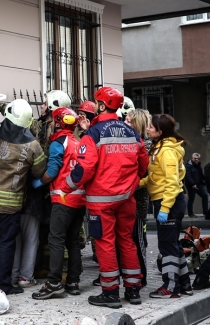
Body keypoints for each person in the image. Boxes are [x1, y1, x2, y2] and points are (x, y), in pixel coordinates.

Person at [64, 86, 149, 308]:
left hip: (101, 201)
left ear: (101, 105)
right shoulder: (132, 132)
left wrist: (67, 185)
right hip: (126, 198)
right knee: (127, 241)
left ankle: (110, 292)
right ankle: (133, 289)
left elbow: (84, 169)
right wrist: (130, 183)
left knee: (105, 244)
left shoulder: (94, 133)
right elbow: (143, 165)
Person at [0, 99, 47, 295]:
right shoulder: (33, 146)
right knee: (6, 244)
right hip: (10, 204)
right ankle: (3, 284)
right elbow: (39, 172)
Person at [32, 107, 86, 300]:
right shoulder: (77, 142)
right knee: (72, 241)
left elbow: (53, 171)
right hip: (80, 199)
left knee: (56, 240)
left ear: (56, 123)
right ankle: (73, 282)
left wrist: (39, 182)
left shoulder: (58, 143)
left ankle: (54, 283)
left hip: (63, 199)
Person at [140, 114, 192, 298]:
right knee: (174, 245)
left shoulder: (166, 151)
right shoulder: (160, 147)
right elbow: (156, 177)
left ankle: (170, 287)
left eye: (151, 127)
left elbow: (171, 182)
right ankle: (185, 285)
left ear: (160, 131)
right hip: (167, 200)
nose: (148, 129)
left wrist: (164, 208)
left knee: (167, 247)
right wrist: (137, 184)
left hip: (167, 201)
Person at [126, 108, 152, 287]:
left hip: (138, 199)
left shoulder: (147, 144)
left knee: (138, 239)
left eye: (128, 121)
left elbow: (146, 173)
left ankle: (141, 275)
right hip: (126, 198)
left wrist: (133, 184)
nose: (124, 123)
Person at [185, 153, 209, 218]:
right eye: (195, 158)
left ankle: (206, 212)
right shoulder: (188, 166)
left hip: (199, 184)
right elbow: (188, 176)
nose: (196, 160)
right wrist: (192, 184)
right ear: (192, 158)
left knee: (205, 195)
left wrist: (204, 182)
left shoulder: (198, 165)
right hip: (191, 185)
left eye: (197, 158)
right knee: (191, 199)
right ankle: (190, 214)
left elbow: (200, 174)